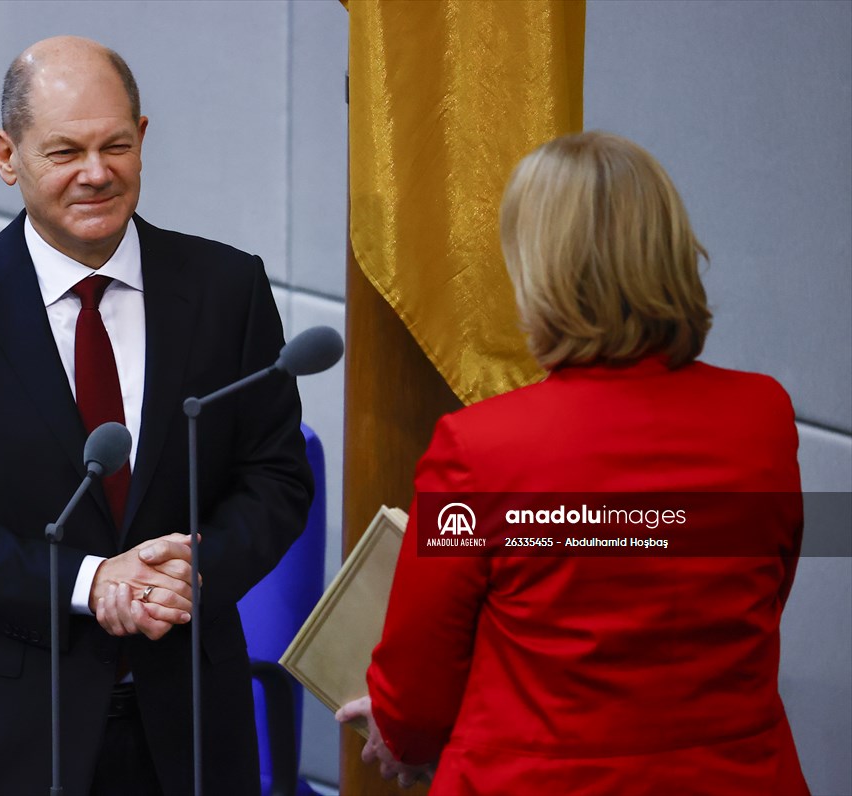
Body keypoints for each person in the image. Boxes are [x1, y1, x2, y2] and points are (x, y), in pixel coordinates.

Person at [0, 36, 312, 796]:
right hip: (6, 729)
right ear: (7, 156)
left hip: (190, 726)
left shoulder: (226, 289)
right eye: (66, 151)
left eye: (115, 146)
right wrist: (89, 579)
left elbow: (276, 478)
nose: (97, 174)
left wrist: (194, 573)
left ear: (143, 138)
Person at [337, 131, 809, 795]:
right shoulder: (763, 417)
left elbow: (416, 694)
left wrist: (398, 730)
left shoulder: (478, 450)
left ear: (542, 269)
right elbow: (764, 596)